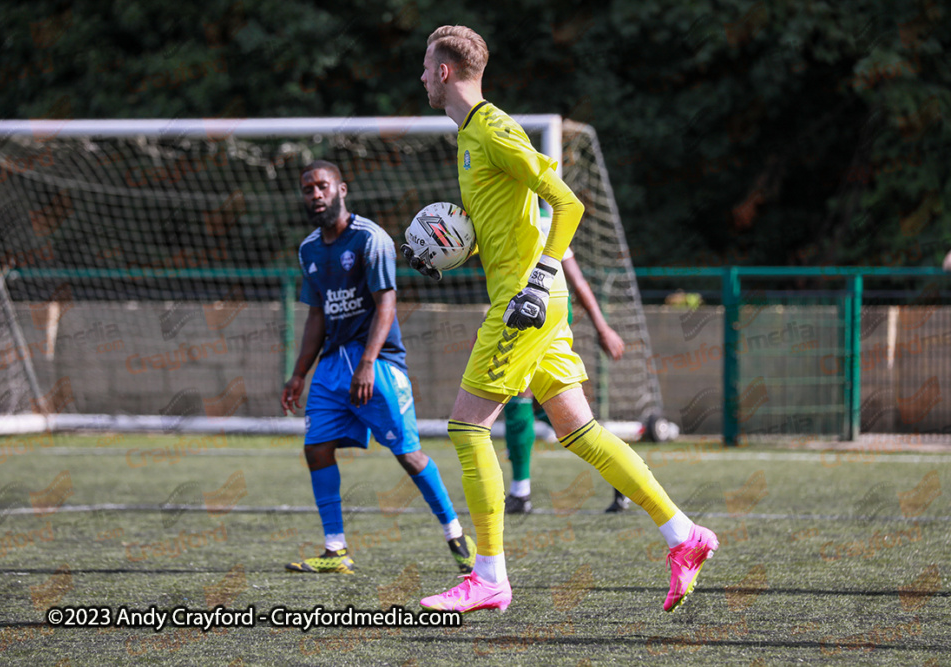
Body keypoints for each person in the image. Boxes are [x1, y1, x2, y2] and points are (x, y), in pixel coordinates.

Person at [403, 25, 718, 613]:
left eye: (425, 67)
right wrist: (450, 246)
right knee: (582, 432)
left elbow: (567, 202)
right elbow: (503, 226)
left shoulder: (495, 129)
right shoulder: (470, 137)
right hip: (535, 302)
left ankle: (489, 576)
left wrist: (541, 279)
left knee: (467, 428)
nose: (420, 77)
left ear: (445, 72)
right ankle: (683, 534)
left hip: (524, 303)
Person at [281, 160, 475, 574]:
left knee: (408, 454)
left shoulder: (372, 240)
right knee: (316, 449)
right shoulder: (308, 249)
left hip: (377, 363)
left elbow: (386, 302)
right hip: (332, 367)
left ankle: (455, 533)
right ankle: (336, 550)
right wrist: (299, 372)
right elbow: (317, 314)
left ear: (341, 189)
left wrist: (368, 362)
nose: (315, 194)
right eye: (308, 189)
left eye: (322, 186)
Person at [504, 213, 631, 515]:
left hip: (540, 317)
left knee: (519, 397)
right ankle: (622, 469)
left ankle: (520, 493)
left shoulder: (541, 220)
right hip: (526, 314)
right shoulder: (505, 211)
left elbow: (577, 282)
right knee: (545, 405)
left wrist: (603, 328)